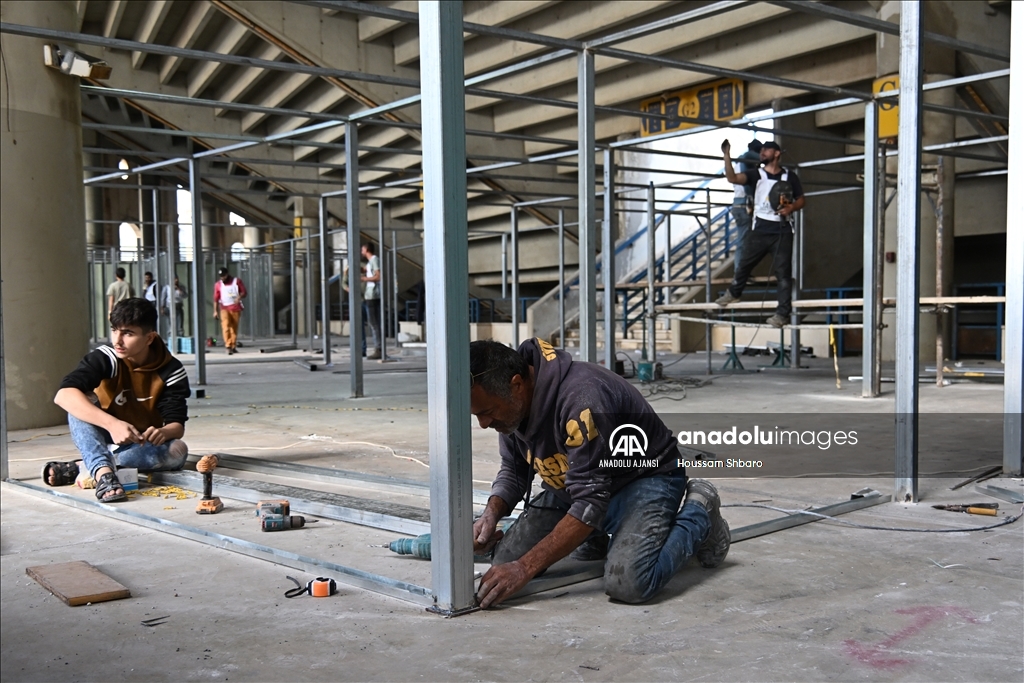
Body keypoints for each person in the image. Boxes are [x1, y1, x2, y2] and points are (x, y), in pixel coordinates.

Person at [470, 338, 730, 608]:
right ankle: (593, 535)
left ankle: (700, 510)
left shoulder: (583, 401)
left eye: (487, 412)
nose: (484, 423)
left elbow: (590, 503)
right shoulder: (513, 408)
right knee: (502, 563)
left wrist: (525, 568)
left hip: (644, 479)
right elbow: (514, 470)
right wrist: (492, 513)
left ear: (516, 384)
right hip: (579, 487)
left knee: (629, 583)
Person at [46, 298, 190, 503]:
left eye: (128, 333)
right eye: (115, 330)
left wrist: (163, 432)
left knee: (178, 451)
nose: (117, 340)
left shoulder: (171, 370)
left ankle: (86, 465)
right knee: (79, 400)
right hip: (101, 435)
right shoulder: (107, 358)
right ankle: (104, 475)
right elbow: (63, 395)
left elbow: (177, 425)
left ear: (149, 338)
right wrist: (113, 425)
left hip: (137, 445)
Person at [717, 140, 806, 328]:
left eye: (767, 150)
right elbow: (732, 178)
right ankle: (734, 293)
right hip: (760, 229)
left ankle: (782, 315)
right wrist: (727, 156)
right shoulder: (755, 174)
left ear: (777, 153)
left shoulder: (790, 176)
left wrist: (791, 207)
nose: (762, 153)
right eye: (762, 150)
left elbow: (801, 200)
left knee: (783, 274)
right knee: (744, 264)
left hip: (782, 230)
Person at [729, 139, 763, 271]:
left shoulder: (739, 163)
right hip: (744, 204)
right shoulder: (747, 159)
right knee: (744, 241)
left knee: (746, 240)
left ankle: (742, 271)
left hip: (738, 203)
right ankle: (740, 272)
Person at [213, 267, 246, 355]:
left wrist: (239, 298)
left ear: (227, 274)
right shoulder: (218, 285)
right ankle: (228, 345)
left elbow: (244, 292)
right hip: (224, 308)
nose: (222, 278)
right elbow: (216, 298)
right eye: (221, 276)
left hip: (235, 308)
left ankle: (233, 345)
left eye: (223, 276)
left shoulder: (236, 281)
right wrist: (215, 311)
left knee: (234, 328)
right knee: (226, 326)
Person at [360, 242, 383, 360]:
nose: (361, 250)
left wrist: (364, 279)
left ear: (367, 249)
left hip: (373, 295)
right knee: (373, 323)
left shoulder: (374, 259)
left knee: (374, 324)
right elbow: (367, 270)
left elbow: (378, 276)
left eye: (362, 248)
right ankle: (378, 348)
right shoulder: (370, 262)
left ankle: (379, 349)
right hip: (369, 295)